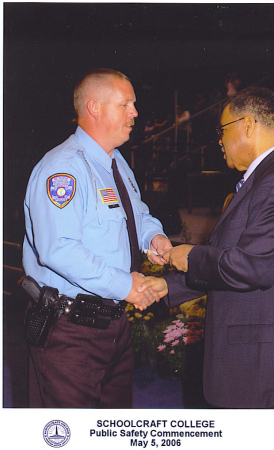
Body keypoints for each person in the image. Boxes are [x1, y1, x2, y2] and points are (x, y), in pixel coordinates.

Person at [140, 86, 274, 409]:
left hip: (263, 372)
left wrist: (190, 256)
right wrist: (167, 284)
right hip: (252, 365)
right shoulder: (267, 177)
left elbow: (252, 267)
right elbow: (231, 261)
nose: (218, 140)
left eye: (222, 130)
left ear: (248, 125)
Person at [22, 68, 171, 408]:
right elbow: (58, 249)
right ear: (95, 108)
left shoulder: (116, 162)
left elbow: (136, 215)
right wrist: (126, 286)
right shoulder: (63, 170)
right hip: (69, 331)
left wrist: (154, 238)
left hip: (112, 325)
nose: (135, 113)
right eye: (126, 104)